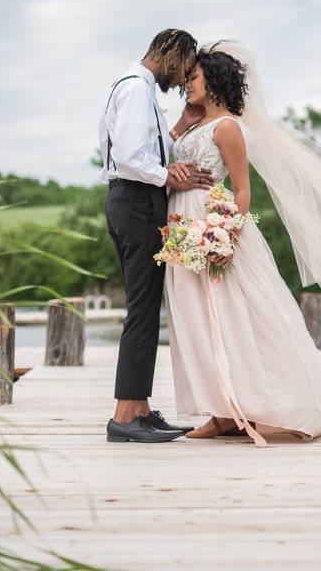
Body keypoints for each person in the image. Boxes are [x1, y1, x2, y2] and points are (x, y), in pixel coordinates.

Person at [164, 41, 321, 446]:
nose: (185, 85)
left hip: (212, 225)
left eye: (192, 77)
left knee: (230, 317)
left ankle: (240, 409)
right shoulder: (193, 125)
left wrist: (224, 235)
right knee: (194, 318)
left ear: (213, 80)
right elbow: (169, 155)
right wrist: (181, 122)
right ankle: (220, 410)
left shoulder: (228, 127)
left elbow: (242, 190)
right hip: (181, 223)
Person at [99, 29, 214, 443]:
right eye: (185, 68)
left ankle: (141, 409)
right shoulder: (134, 89)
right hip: (136, 202)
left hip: (133, 201)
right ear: (172, 54)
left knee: (146, 307)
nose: (184, 80)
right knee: (143, 309)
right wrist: (168, 176)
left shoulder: (138, 89)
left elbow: (143, 148)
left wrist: (180, 126)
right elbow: (131, 158)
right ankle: (124, 417)